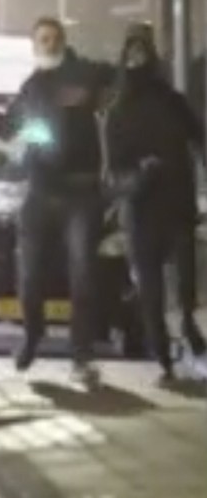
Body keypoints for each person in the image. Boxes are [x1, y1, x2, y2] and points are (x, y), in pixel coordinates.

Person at [0, 16, 115, 387]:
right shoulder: (32, 88)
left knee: (82, 273)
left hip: (81, 191)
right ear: (34, 45)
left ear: (63, 42)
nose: (48, 45)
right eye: (42, 40)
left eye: (54, 39)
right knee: (28, 271)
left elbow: (114, 81)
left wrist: (102, 87)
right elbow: (5, 129)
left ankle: (81, 355)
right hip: (42, 189)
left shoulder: (84, 74)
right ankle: (32, 336)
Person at [104, 23, 207, 381]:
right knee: (150, 288)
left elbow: (200, 139)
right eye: (131, 51)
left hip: (177, 203)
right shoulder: (117, 110)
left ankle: (190, 331)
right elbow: (114, 169)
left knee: (185, 281)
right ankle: (163, 356)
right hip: (140, 208)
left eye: (142, 50)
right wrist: (139, 174)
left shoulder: (172, 101)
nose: (137, 57)